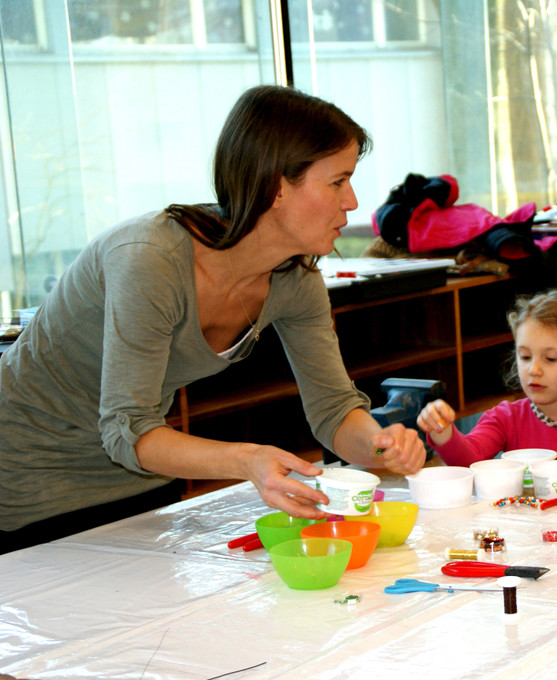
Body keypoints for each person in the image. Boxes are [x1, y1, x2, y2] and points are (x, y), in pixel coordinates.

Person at [0, 85, 427, 552]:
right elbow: (128, 429)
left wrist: (380, 444)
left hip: (140, 476)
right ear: (276, 186)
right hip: (27, 482)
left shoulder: (294, 278)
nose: (352, 201)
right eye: (338, 182)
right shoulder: (149, 259)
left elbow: (334, 410)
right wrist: (247, 459)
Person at [417, 289, 557, 467]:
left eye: (550, 358)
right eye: (525, 357)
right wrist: (442, 430)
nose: (533, 369)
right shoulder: (505, 418)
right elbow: (468, 459)